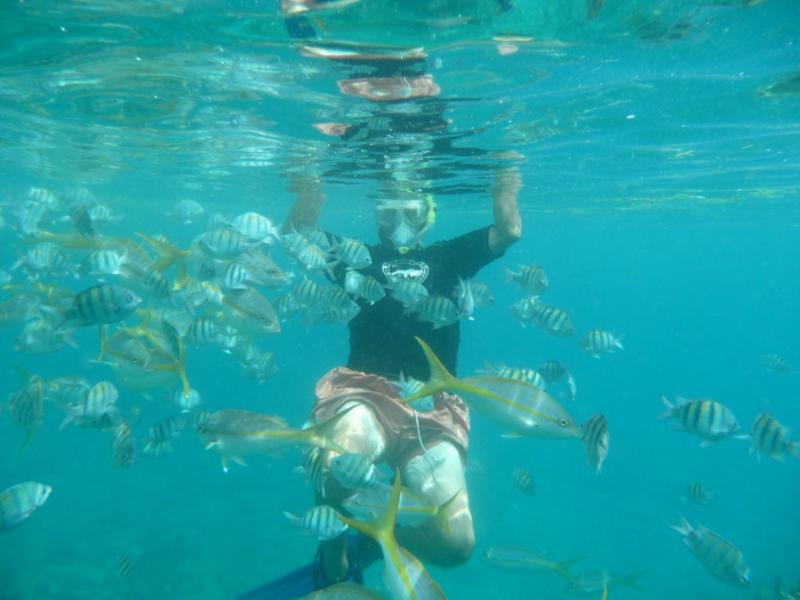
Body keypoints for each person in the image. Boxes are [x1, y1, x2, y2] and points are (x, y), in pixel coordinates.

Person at [239, 166, 521, 600]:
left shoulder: (451, 256)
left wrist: (505, 175)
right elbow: (296, 233)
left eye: (411, 213)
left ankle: (376, 537)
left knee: (457, 543)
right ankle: (334, 543)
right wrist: (311, 178)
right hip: (364, 393)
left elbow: (509, 231)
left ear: (429, 214)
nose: (400, 225)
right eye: (389, 216)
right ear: (376, 219)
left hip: (432, 406)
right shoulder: (359, 257)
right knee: (338, 468)